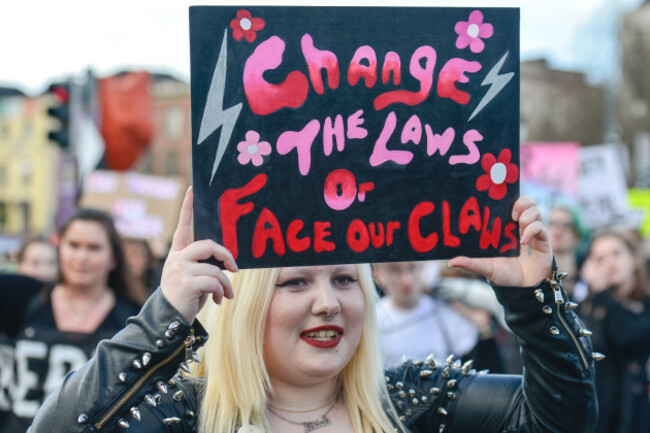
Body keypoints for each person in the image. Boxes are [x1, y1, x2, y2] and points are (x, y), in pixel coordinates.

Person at [28, 190, 598, 433]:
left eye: (346, 279)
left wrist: (533, 296)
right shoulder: (185, 417)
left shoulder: (414, 402)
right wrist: (164, 316)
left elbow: (560, 420)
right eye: (295, 281)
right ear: (242, 302)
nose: (328, 301)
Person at [2, 209, 142, 433]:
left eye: (93, 248)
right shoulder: (24, 297)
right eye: (73, 245)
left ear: (113, 258)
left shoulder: (133, 317)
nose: (81, 257)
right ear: (59, 250)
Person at [373, 261, 503, 372]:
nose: (406, 281)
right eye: (395, 271)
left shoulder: (443, 312)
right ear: (378, 273)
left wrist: (482, 327)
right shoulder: (372, 319)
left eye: (412, 268)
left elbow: (481, 366)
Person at [580, 230, 650, 433]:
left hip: (636, 417)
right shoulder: (586, 310)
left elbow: (628, 336)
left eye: (616, 254)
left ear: (634, 260)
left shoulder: (645, 306)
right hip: (597, 418)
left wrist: (602, 294)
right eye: (600, 258)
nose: (610, 263)